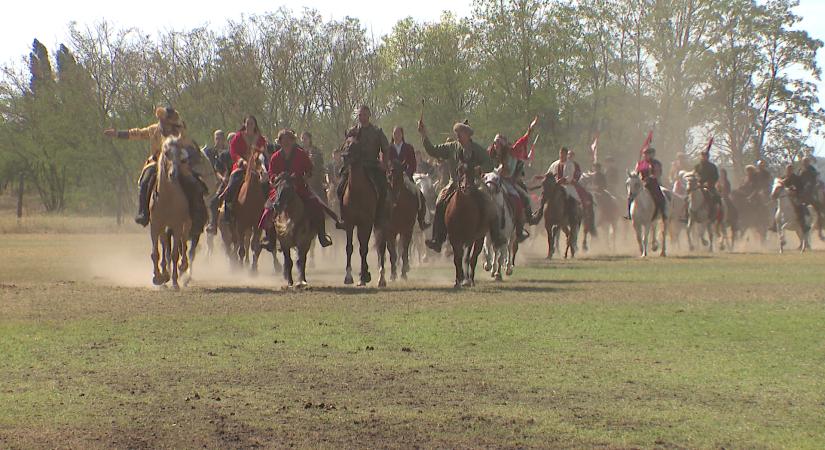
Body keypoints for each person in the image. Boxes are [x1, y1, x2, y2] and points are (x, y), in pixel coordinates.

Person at [417, 119, 504, 252]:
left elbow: (489, 164)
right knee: (440, 201)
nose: (457, 135)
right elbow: (433, 151)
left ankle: (496, 236)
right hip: (454, 183)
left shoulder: (477, 149)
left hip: (474, 183)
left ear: (468, 134)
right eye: (456, 132)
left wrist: (479, 169)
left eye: (460, 132)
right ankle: (438, 239)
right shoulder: (451, 147)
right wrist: (424, 135)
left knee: (490, 202)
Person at [104, 106, 196, 227]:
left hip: (175, 162)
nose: (161, 122)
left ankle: (194, 213)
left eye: (164, 119)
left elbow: (186, 142)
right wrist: (117, 134)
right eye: (160, 119)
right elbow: (137, 133)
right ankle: (143, 212)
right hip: (156, 162)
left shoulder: (178, 131)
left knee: (192, 181)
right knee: (144, 182)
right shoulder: (154, 130)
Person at [261, 129, 344, 249]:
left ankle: (322, 236)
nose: (286, 143)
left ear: (292, 141)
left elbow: (310, 169)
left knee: (317, 206)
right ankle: (270, 239)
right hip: (280, 190)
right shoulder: (275, 157)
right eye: (283, 140)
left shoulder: (301, 154)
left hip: (299, 188)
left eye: (288, 140)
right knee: (268, 210)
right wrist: (276, 179)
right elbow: (271, 174)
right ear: (279, 142)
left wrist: (304, 176)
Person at [336, 105, 391, 225]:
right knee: (339, 188)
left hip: (372, 165)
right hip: (354, 166)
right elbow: (344, 148)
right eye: (360, 115)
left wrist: (384, 163)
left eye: (364, 115)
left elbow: (386, 149)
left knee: (383, 187)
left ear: (369, 115)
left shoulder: (377, 132)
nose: (362, 117)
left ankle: (379, 217)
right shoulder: (352, 131)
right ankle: (343, 218)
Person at [487, 121, 537, 241]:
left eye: (498, 144)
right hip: (491, 180)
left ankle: (520, 230)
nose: (496, 146)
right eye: (495, 143)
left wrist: (530, 129)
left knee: (522, 199)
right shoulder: (490, 154)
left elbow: (523, 140)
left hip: (508, 182)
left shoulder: (512, 152)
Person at [221, 115, 268, 224]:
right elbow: (233, 152)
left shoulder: (260, 139)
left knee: (267, 187)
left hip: (257, 168)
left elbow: (263, 153)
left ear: (255, 125)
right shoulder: (238, 137)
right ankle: (229, 212)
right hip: (241, 167)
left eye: (252, 123)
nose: (250, 125)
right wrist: (241, 161)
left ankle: (267, 214)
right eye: (248, 123)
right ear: (244, 124)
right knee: (232, 186)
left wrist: (259, 163)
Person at [385, 126, 429, 230]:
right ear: (392, 135)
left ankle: (421, 220)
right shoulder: (389, 148)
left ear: (402, 135)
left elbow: (413, 163)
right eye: (395, 133)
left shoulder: (408, 147)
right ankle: (379, 220)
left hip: (406, 177)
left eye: (399, 133)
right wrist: (390, 172)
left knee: (419, 194)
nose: (397, 136)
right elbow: (387, 162)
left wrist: (407, 173)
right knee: (381, 194)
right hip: (392, 177)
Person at [532, 147, 581, 223]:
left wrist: (563, 180)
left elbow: (570, 176)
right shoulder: (555, 164)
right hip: (554, 186)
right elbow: (548, 174)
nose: (561, 155)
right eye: (560, 153)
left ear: (566, 154)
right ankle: (539, 213)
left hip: (567, 186)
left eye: (563, 154)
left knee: (571, 199)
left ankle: (572, 216)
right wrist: (539, 177)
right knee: (544, 195)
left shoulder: (570, 164)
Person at [627, 147, 666, 220]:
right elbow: (636, 173)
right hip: (641, 184)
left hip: (653, 184)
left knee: (660, 197)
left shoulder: (656, 163)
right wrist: (634, 176)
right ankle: (629, 214)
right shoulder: (641, 163)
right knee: (630, 196)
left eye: (648, 154)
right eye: (644, 154)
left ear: (652, 155)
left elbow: (658, 173)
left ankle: (663, 213)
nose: (645, 155)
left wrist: (651, 177)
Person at [202, 130, 229, 234]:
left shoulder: (228, 152)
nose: (218, 140)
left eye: (220, 138)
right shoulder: (209, 152)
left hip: (226, 180)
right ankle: (210, 222)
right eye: (216, 138)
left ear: (224, 139)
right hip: (212, 179)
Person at [692, 148, 721, 220]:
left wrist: (709, 183)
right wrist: (697, 181)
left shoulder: (712, 167)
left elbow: (716, 177)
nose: (704, 157)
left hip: (710, 187)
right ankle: (688, 214)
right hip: (698, 186)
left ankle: (713, 213)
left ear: (708, 157)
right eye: (702, 156)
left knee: (716, 197)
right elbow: (694, 175)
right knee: (688, 197)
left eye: (705, 156)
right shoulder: (697, 166)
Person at [301, 131, 326, 200]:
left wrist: (314, 160)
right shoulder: (299, 151)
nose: (304, 140)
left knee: (322, 198)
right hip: (303, 180)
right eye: (302, 138)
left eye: (305, 138)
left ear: (310, 139)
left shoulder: (316, 151)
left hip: (316, 179)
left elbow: (320, 165)